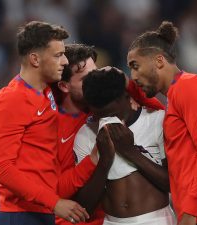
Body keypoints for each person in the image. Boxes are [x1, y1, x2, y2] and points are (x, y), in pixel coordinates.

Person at [126, 21, 197, 224]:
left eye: (135, 66)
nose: (133, 76)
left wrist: (191, 210)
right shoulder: (175, 94)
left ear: (159, 61)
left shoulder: (189, 87)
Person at [0, 21, 93, 225]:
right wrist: (55, 202)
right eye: (57, 55)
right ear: (35, 59)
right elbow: (2, 169)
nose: (64, 61)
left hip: (42, 213)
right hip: (19, 215)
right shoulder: (12, 100)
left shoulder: (46, 92)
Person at [53, 43, 165, 225]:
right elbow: (57, 190)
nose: (96, 80)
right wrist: (97, 159)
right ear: (65, 86)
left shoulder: (145, 115)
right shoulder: (71, 129)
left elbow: (159, 115)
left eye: (96, 72)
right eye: (86, 79)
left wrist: (127, 84)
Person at [73, 67, 174, 225]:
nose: (106, 120)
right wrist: (104, 160)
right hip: (111, 221)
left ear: (126, 97)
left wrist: (130, 151)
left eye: (112, 113)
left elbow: (172, 184)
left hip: (157, 219)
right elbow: (85, 207)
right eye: (99, 115)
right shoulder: (85, 135)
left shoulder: (156, 121)